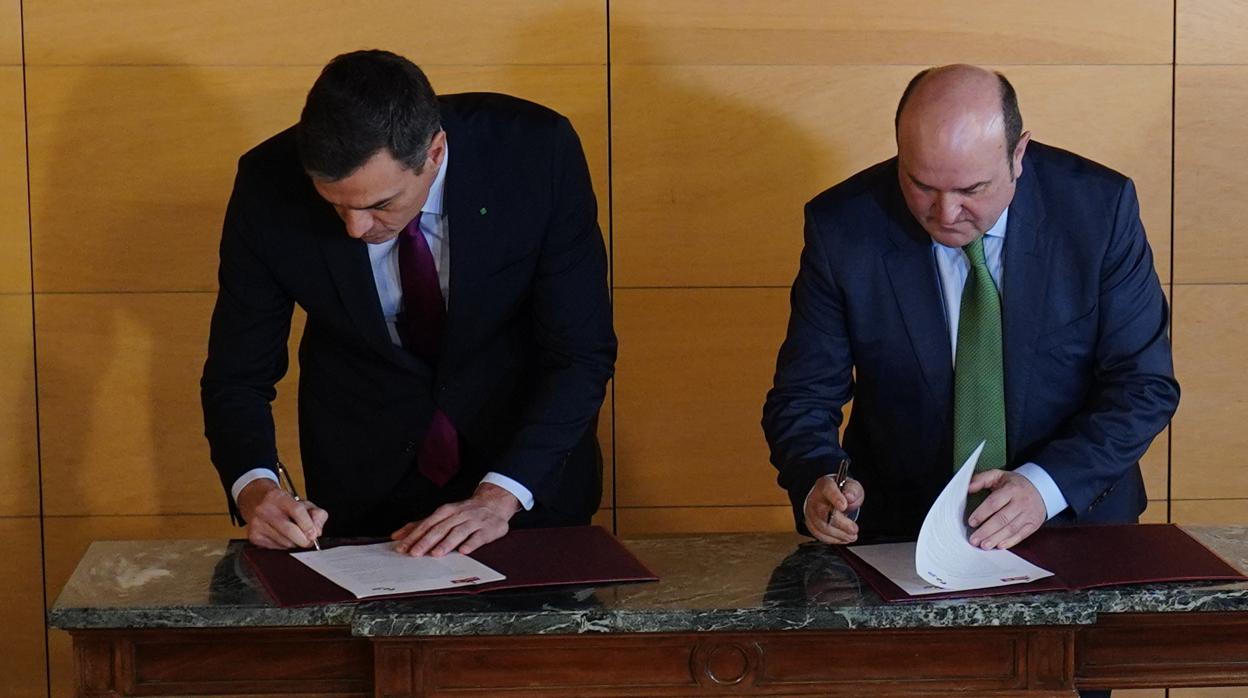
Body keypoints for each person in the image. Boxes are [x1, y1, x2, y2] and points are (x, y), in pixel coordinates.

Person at [202, 49, 616, 557]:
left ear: (435, 152)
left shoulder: (535, 153)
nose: (355, 229)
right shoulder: (267, 185)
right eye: (335, 206)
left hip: (524, 477)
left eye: (380, 204)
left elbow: (580, 353)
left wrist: (500, 496)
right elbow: (237, 375)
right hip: (362, 486)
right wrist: (256, 489)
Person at [762, 64, 1179, 552]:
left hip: (1073, 519)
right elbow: (804, 396)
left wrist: (1043, 487)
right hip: (904, 532)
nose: (945, 213)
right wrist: (818, 479)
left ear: (1018, 155)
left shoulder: (1097, 211)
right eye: (921, 185)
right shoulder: (844, 227)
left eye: (971, 190)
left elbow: (1143, 385)